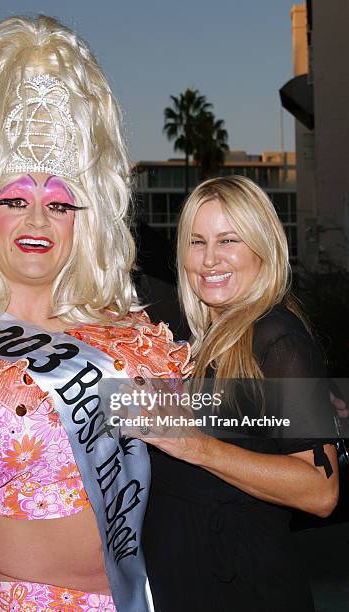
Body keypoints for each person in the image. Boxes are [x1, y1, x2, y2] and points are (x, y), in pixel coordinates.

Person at [0, 15, 191, 611]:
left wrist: (314, 409)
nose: (37, 221)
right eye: (14, 199)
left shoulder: (128, 335)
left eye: (57, 204)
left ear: (81, 220)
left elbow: (210, 424)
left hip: (142, 598)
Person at [142, 176, 339, 612]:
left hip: (246, 590)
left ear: (261, 247)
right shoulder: (197, 336)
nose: (209, 259)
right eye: (197, 242)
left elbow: (321, 491)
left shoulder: (276, 338)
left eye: (228, 240)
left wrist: (196, 447)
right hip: (186, 581)